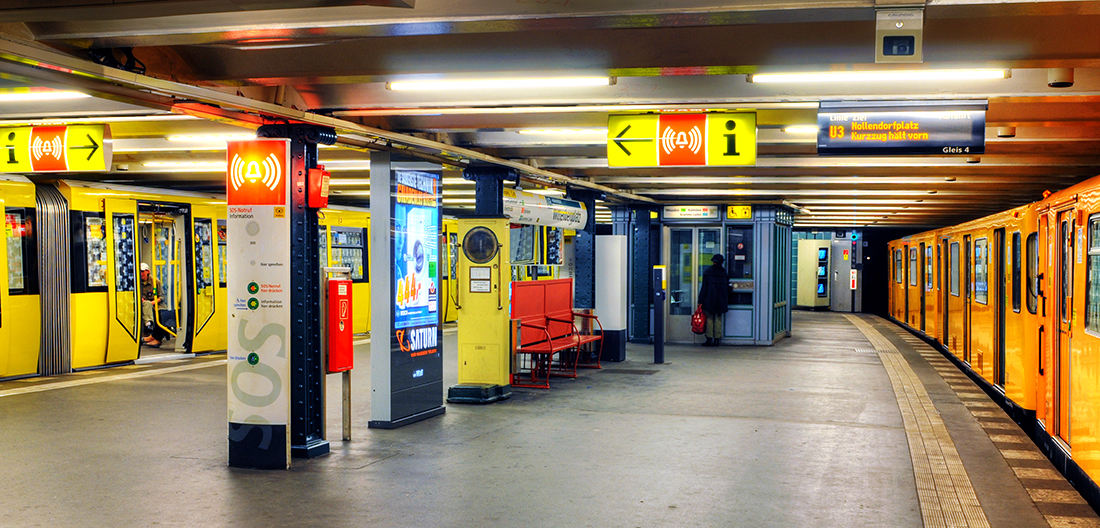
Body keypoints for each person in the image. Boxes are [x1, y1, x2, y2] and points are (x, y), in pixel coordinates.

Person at [697, 253, 729, 347]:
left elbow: (704, 288)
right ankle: (717, 340)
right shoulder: (724, 273)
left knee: (710, 319)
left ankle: (709, 339)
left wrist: (700, 301)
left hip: (709, 299)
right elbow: (727, 288)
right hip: (721, 300)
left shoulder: (708, 272)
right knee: (718, 319)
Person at [140, 263, 166, 347]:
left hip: (155, 304)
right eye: (139, 272)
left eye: (142, 271)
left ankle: (156, 337)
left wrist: (150, 304)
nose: (141, 274)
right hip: (142, 305)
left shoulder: (155, 282)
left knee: (160, 314)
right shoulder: (136, 282)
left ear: (148, 271)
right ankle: (149, 327)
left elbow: (161, 297)